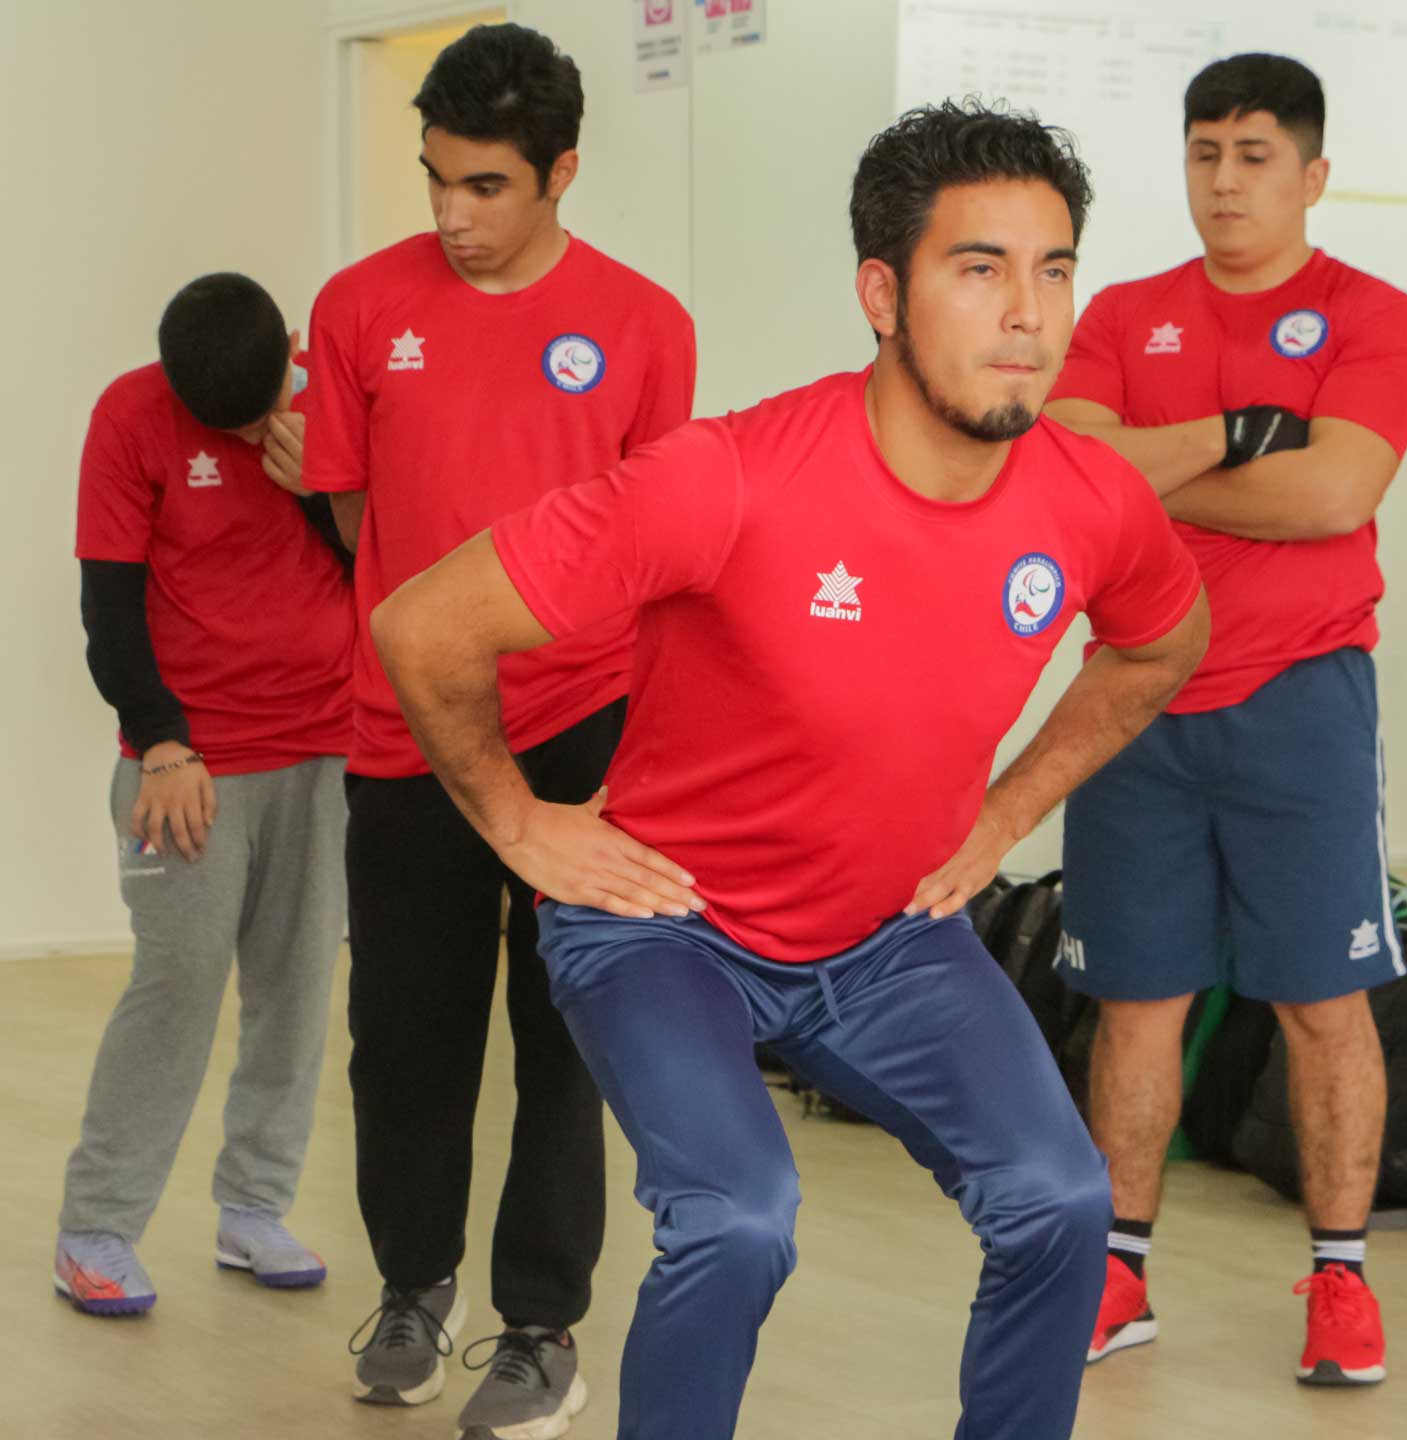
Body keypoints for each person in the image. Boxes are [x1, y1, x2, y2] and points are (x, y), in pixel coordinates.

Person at [371, 100, 1211, 1440]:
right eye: (979, 268)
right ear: (883, 292)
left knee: (1062, 1201)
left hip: (889, 931)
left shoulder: (1091, 496)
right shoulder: (729, 480)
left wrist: (1007, 811)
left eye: (1055, 269)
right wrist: (520, 825)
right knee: (741, 1215)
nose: (1029, 315)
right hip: (669, 929)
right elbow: (424, 625)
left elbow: (1163, 645)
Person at [300, 22, 695, 1431]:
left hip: (584, 732)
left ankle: (541, 1326)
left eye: (487, 187)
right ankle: (416, 1285)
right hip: (405, 732)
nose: (454, 217)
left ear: (561, 172)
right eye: (436, 182)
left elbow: (652, 547)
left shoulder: (647, 326)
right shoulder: (355, 311)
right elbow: (358, 523)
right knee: (405, 1038)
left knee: (565, 1035)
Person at [1042, 52, 1407, 1385]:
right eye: (1205, 151)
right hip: (1137, 694)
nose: (1224, 179)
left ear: (1313, 175)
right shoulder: (1123, 313)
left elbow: (1334, 498)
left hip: (1302, 700)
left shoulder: (1379, 317)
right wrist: (1241, 431)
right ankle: (1116, 1271)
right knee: (1134, 1001)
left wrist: (1154, 474)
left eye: (1255, 154)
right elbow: (1073, 467)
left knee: (1325, 1002)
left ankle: (1340, 1279)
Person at [58, 272, 354, 1316]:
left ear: (288, 349)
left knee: (297, 983)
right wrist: (166, 744)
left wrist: (319, 480)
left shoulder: (331, 397)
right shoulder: (130, 416)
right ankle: (96, 1226)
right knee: (178, 983)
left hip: (327, 742)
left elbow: (386, 561)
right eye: (216, 425)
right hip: (190, 763)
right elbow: (110, 607)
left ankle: (254, 1207)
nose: (241, 433)